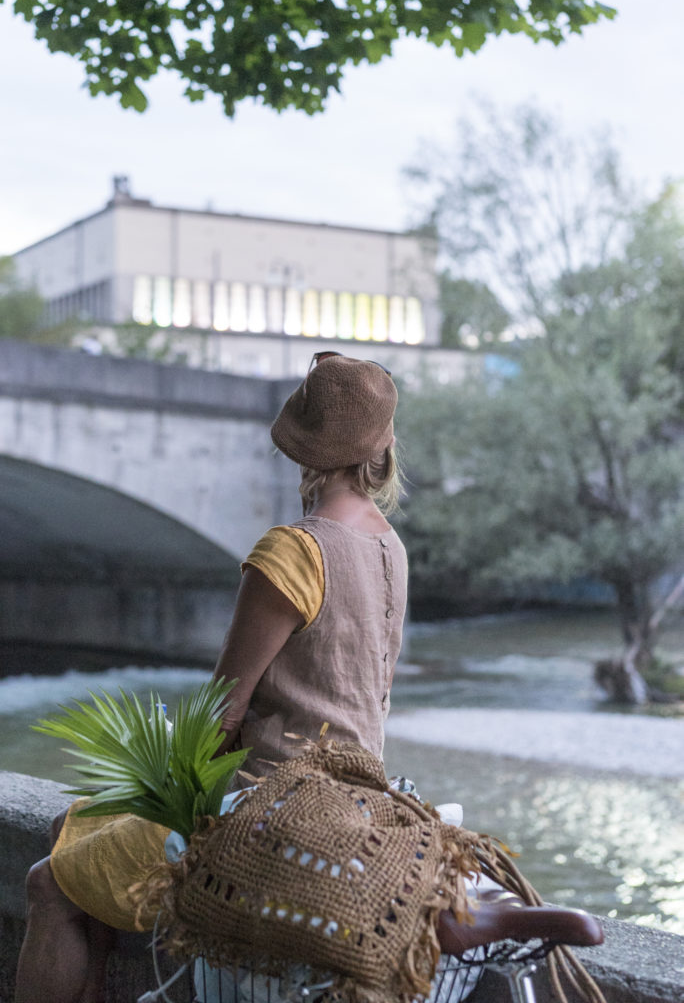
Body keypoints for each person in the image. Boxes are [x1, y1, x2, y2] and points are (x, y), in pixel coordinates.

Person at [14, 352, 603, 1003]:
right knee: (88, 828)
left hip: (267, 796)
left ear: (303, 449)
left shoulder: (293, 550)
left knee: (49, 879)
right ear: (381, 452)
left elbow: (223, 714)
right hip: (365, 795)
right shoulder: (390, 548)